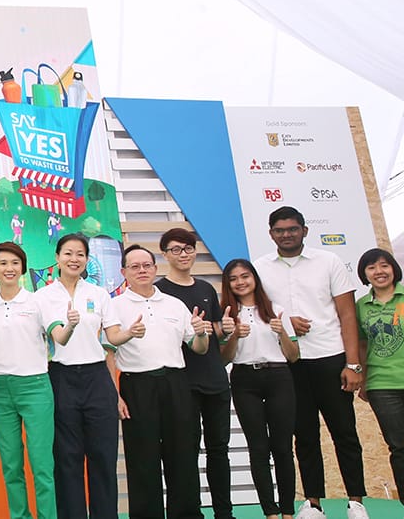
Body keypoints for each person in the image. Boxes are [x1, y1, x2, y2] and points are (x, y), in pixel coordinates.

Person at [252, 206, 368, 519]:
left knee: (344, 432)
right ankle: (313, 504)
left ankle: (355, 502)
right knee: (304, 435)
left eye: (292, 229)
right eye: (279, 230)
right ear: (271, 233)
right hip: (289, 363)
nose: (286, 235)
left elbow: (347, 314)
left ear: (304, 230)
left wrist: (354, 364)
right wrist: (288, 322)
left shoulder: (328, 262)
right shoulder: (259, 268)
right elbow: (258, 312)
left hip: (331, 358)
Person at [36, 233, 137, 519]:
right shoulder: (42, 296)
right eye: (68, 253)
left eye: (80, 254)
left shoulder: (99, 294)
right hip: (60, 377)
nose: (74, 259)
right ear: (57, 257)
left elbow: (113, 335)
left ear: (87, 259)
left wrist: (129, 333)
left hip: (97, 377)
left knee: (103, 457)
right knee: (66, 459)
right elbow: (46, 338)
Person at [109, 244, 210, 519]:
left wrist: (202, 333)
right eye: (135, 267)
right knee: (143, 459)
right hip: (137, 386)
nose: (142, 271)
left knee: (183, 454)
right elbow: (108, 353)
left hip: (176, 383)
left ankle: (187, 514)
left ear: (155, 269)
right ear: (123, 272)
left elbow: (198, 347)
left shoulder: (174, 304)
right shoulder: (115, 306)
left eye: (147, 265)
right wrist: (114, 395)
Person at [154, 228, 232, 519]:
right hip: (181, 384)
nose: (183, 254)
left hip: (215, 380)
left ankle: (224, 512)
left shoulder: (206, 289)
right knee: (184, 454)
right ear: (165, 254)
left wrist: (225, 332)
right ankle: (190, 513)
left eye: (187, 248)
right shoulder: (160, 292)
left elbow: (214, 335)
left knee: (219, 451)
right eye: (175, 249)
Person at [0, 242, 55, 519]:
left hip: (35, 387)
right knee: (11, 465)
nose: (9, 268)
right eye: (3, 264)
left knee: (42, 464)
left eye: (15, 263)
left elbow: (57, 338)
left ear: (22, 267)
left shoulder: (38, 302)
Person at [217, 258, 299, 519]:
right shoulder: (227, 316)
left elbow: (294, 355)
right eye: (233, 278)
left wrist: (282, 332)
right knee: (258, 448)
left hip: (279, 378)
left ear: (254, 278)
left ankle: (287, 511)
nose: (240, 282)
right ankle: (270, 513)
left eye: (245, 276)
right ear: (227, 284)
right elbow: (223, 360)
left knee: (283, 447)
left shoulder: (276, 309)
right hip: (244, 380)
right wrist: (234, 337)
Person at [355, 248, 404, 519]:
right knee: (402, 449)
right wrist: (363, 378)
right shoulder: (361, 306)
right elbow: (360, 344)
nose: (378, 272)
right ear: (364, 274)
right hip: (383, 386)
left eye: (384, 266)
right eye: (371, 267)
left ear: (394, 268)